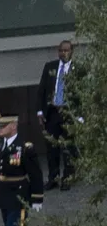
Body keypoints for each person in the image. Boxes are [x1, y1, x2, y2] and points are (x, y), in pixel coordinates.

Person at [37, 40, 76, 190]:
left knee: (68, 147)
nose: (64, 53)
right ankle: (53, 177)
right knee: (52, 147)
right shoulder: (50, 67)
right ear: (58, 51)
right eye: (61, 50)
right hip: (52, 112)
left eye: (67, 50)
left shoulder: (77, 69)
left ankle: (68, 178)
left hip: (68, 112)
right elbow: (42, 91)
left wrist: (80, 116)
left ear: (72, 51)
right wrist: (40, 111)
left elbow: (82, 94)